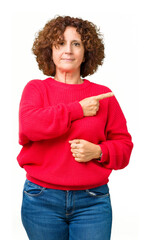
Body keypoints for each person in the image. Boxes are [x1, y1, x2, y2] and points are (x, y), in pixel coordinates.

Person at [17, 15, 133, 240]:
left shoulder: (104, 95)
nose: (68, 50)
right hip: (41, 199)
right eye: (60, 43)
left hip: (92, 201)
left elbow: (124, 147)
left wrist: (98, 151)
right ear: (49, 50)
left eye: (76, 43)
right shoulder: (36, 89)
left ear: (86, 51)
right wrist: (78, 109)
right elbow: (30, 127)